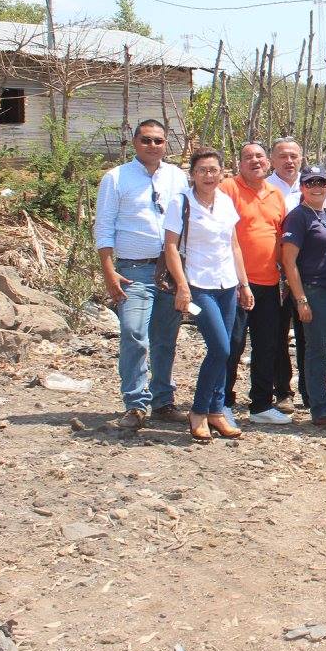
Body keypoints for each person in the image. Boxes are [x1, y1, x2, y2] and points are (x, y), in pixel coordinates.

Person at [93, 119, 187, 431]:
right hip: (133, 270)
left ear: (166, 144)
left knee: (165, 337)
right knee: (134, 333)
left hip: (171, 269)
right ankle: (135, 404)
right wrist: (109, 272)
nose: (152, 146)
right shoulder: (116, 178)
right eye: (146, 140)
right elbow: (104, 227)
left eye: (158, 141)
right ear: (135, 142)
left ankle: (163, 401)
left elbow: (188, 221)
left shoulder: (177, 177)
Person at [161, 148, 250, 442]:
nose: (208, 176)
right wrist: (182, 286)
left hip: (226, 284)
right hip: (199, 284)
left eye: (214, 170)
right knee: (220, 348)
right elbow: (171, 246)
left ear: (222, 172)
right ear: (193, 175)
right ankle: (198, 411)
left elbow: (234, 245)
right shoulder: (181, 203)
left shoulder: (225, 202)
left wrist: (244, 284)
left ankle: (216, 411)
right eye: (202, 170)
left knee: (227, 351)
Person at [220, 142, 289, 425]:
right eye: (248, 156)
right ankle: (222, 401)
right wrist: (238, 281)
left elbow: (281, 237)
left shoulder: (276, 194)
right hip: (234, 283)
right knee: (231, 344)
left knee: (267, 345)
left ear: (268, 162)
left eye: (259, 156)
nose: (255, 161)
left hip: (269, 283)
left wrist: (286, 276)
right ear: (239, 163)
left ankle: (261, 404)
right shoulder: (228, 189)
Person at [281, 165, 326, 429]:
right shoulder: (298, 217)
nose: (317, 187)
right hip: (314, 290)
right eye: (311, 183)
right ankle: (320, 409)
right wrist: (300, 300)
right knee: (317, 350)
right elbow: (288, 261)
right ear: (302, 187)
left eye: (322, 182)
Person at [265, 136, 308, 415]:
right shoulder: (265, 188)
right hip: (276, 271)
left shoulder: (314, 184)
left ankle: (310, 389)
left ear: (301, 159)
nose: (289, 161)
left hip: (309, 272)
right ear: (272, 159)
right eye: (283, 156)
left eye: (293, 156)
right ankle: (282, 391)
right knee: (277, 334)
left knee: (308, 334)